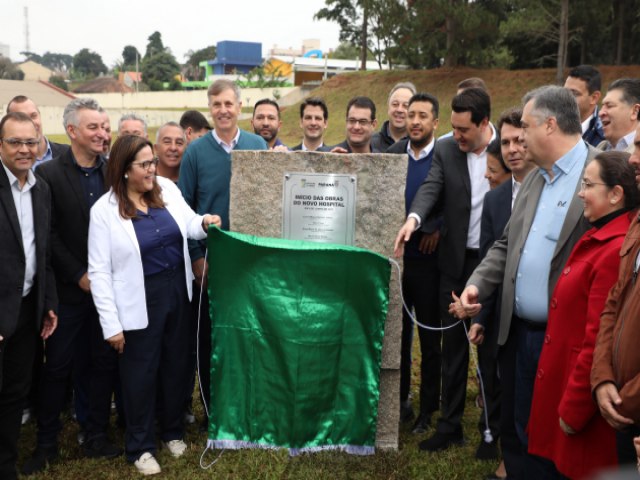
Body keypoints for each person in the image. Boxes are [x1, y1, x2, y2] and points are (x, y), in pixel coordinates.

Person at [457, 85, 598, 478]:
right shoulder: (535, 179)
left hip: (565, 340)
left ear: (550, 125)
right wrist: (477, 285)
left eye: (527, 126)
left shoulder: (600, 173)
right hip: (516, 334)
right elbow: (507, 244)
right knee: (517, 432)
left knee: (557, 438)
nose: (518, 137)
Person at [88, 135, 221, 475]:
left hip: (177, 293)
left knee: (177, 366)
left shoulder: (165, 189)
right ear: (124, 169)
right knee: (139, 376)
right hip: (138, 302)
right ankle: (141, 446)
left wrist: (205, 221)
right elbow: (99, 273)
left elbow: (189, 222)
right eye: (144, 164)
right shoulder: (103, 211)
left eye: (153, 162)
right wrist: (111, 326)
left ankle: (173, 431)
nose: (152, 170)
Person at [394, 87, 495, 453]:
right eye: (453, 128)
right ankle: (449, 423)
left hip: (491, 264)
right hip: (453, 263)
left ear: (484, 123)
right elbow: (431, 186)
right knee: (452, 346)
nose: (457, 136)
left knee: (489, 349)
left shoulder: (507, 150)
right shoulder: (449, 148)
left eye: (464, 129)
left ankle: (491, 430)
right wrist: (414, 218)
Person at [22, 98, 119, 475]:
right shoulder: (49, 175)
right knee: (58, 367)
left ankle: (95, 434)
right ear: (73, 131)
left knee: (101, 363)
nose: (102, 134)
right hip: (68, 291)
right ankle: (46, 443)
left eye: (105, 127)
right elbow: (49, 235)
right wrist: (79, 274)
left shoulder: (113, 171)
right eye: (94, 127)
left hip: (106, 292)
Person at [527, 150, 637, 479]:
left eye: (588, 184)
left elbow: (596, 338)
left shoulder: (613, 249)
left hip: (584, 406)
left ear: (616, 194)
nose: (580, 192)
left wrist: (574, 410)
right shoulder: (600, 237)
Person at [178, 79, 267, 424]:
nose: (223, 110)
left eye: (229, 104)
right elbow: (185, 211)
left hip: (251, 261)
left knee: (250, 333)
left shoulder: (257, 144)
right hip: (211, 262)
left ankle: (249, 404)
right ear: (210, 109)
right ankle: (215, 409)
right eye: (216, 105)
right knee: (210, 338)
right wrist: (197, 259)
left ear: (240, 107)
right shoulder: (196, 153)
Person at [467, 107, 535, 478]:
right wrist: (480, 316)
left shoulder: (553, 187)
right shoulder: (495, 200)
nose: (512, 149)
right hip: (502, 316)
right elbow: (490, 258)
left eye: (519, 141)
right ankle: (508, 459)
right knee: (503, 389)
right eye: (505, 142)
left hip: (541, 316)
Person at [0, 112, 58, 480]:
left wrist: (48, 303)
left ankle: (5, 467)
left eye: (30, 142)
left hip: (25, 310)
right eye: (15, 142)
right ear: (0, 145)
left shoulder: (41, 188)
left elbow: (43, 252)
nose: (24, 150)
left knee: (14, 392)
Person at [386, 92, 442, 435]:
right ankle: (401, 400)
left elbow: (458, 200)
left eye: (423, 116)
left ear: (436, 122)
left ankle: (428, 409)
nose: (416, 121)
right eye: (411, 115)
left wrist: (438, 227)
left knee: (429, 337)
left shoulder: (445, 156)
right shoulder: (393, 155)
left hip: (430, 262)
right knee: (399, 335)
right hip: (398, 261)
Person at [592, 124, 640, 468]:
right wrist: (603, 377)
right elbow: (613, 304)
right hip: (622, 407)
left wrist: (627, 398)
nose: (633, 159)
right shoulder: (637, 223)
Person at [6, 95, 69, 167]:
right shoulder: (5, 163)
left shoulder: (68, 153)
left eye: (33, 115)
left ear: (39, 115)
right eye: (22, 118)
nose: (31, 123)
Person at [564, 65, 605, 147]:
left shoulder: (606, 135)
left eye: (574, 94)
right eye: (564, 92)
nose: (565, 98)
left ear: (594, 98)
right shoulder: (551, 126)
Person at [598, 78, 640, 153]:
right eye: (602, 106)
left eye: (609, 106)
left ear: (635, 111)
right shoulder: (599, 148)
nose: (600, 113)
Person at [371, 82, 416, 152]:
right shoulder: (369, 144)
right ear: (388, 107)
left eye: (406, 106)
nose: (399, 110)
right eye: (395, 104)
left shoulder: (422, 145)